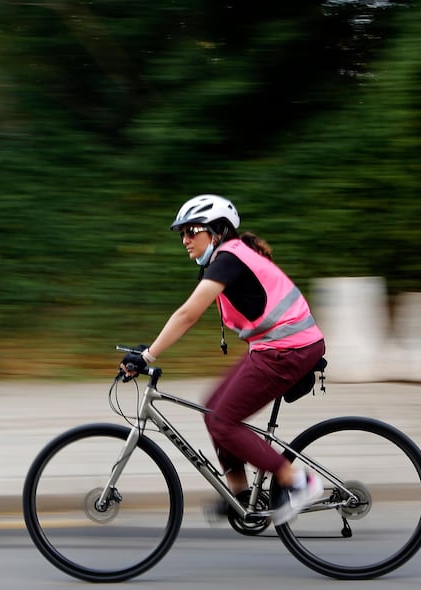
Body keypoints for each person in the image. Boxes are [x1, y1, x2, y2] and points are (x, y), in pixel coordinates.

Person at [120, 194, 325, 525]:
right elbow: (187, 314)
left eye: (192, 230)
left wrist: (148, 355)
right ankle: (240, 495)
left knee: (222, 421)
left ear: (216, 231)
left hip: (288, 350)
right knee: (212, 408)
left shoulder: (229, 258)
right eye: (181, 233)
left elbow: (188, 314)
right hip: (274, 347)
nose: (185, 239)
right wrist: (152, 347)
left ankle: (299, 481)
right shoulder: (226, 259)